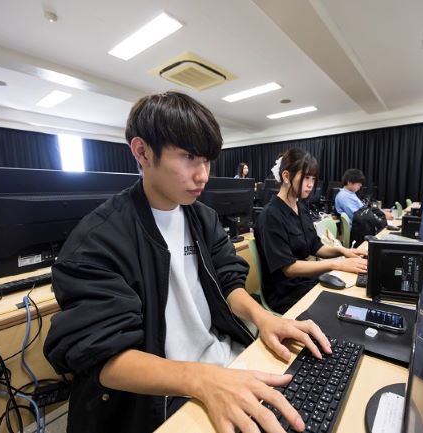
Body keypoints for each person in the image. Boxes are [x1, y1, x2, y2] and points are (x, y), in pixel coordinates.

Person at [43, 92, 332, 433]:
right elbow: (103, 358)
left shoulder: (202, 218)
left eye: (207, 160)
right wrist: (202, 380)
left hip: (222, 362)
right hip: (159, 397)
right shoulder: (98, 240)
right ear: (142, 151)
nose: (203, 175)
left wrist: (264, 318)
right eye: (189, 157)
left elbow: (229, 282)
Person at [254, 148, 367, 314]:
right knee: (343, 306)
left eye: (313, 179)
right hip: (286, 294)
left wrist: (343, 251)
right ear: (286, 176)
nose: (310, 184)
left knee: (355, 295)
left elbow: (316, 247)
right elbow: (289, 268)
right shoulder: (270, 215)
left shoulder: (301, 208)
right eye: (306, 177)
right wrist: (337, 263)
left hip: (306, 282)